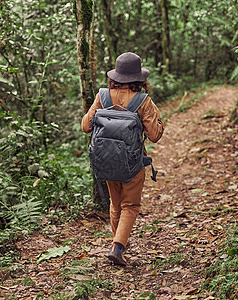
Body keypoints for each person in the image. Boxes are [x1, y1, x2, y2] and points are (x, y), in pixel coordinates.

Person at [81, 52, 164, 266]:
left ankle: (116, 245)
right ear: (139, 78)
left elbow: (85, 126)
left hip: (106, 161)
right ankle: (118, 247)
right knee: (130, 205)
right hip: (132, 164)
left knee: (116, 205)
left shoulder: (103, 96)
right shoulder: (142, 100)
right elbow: (155, 135)